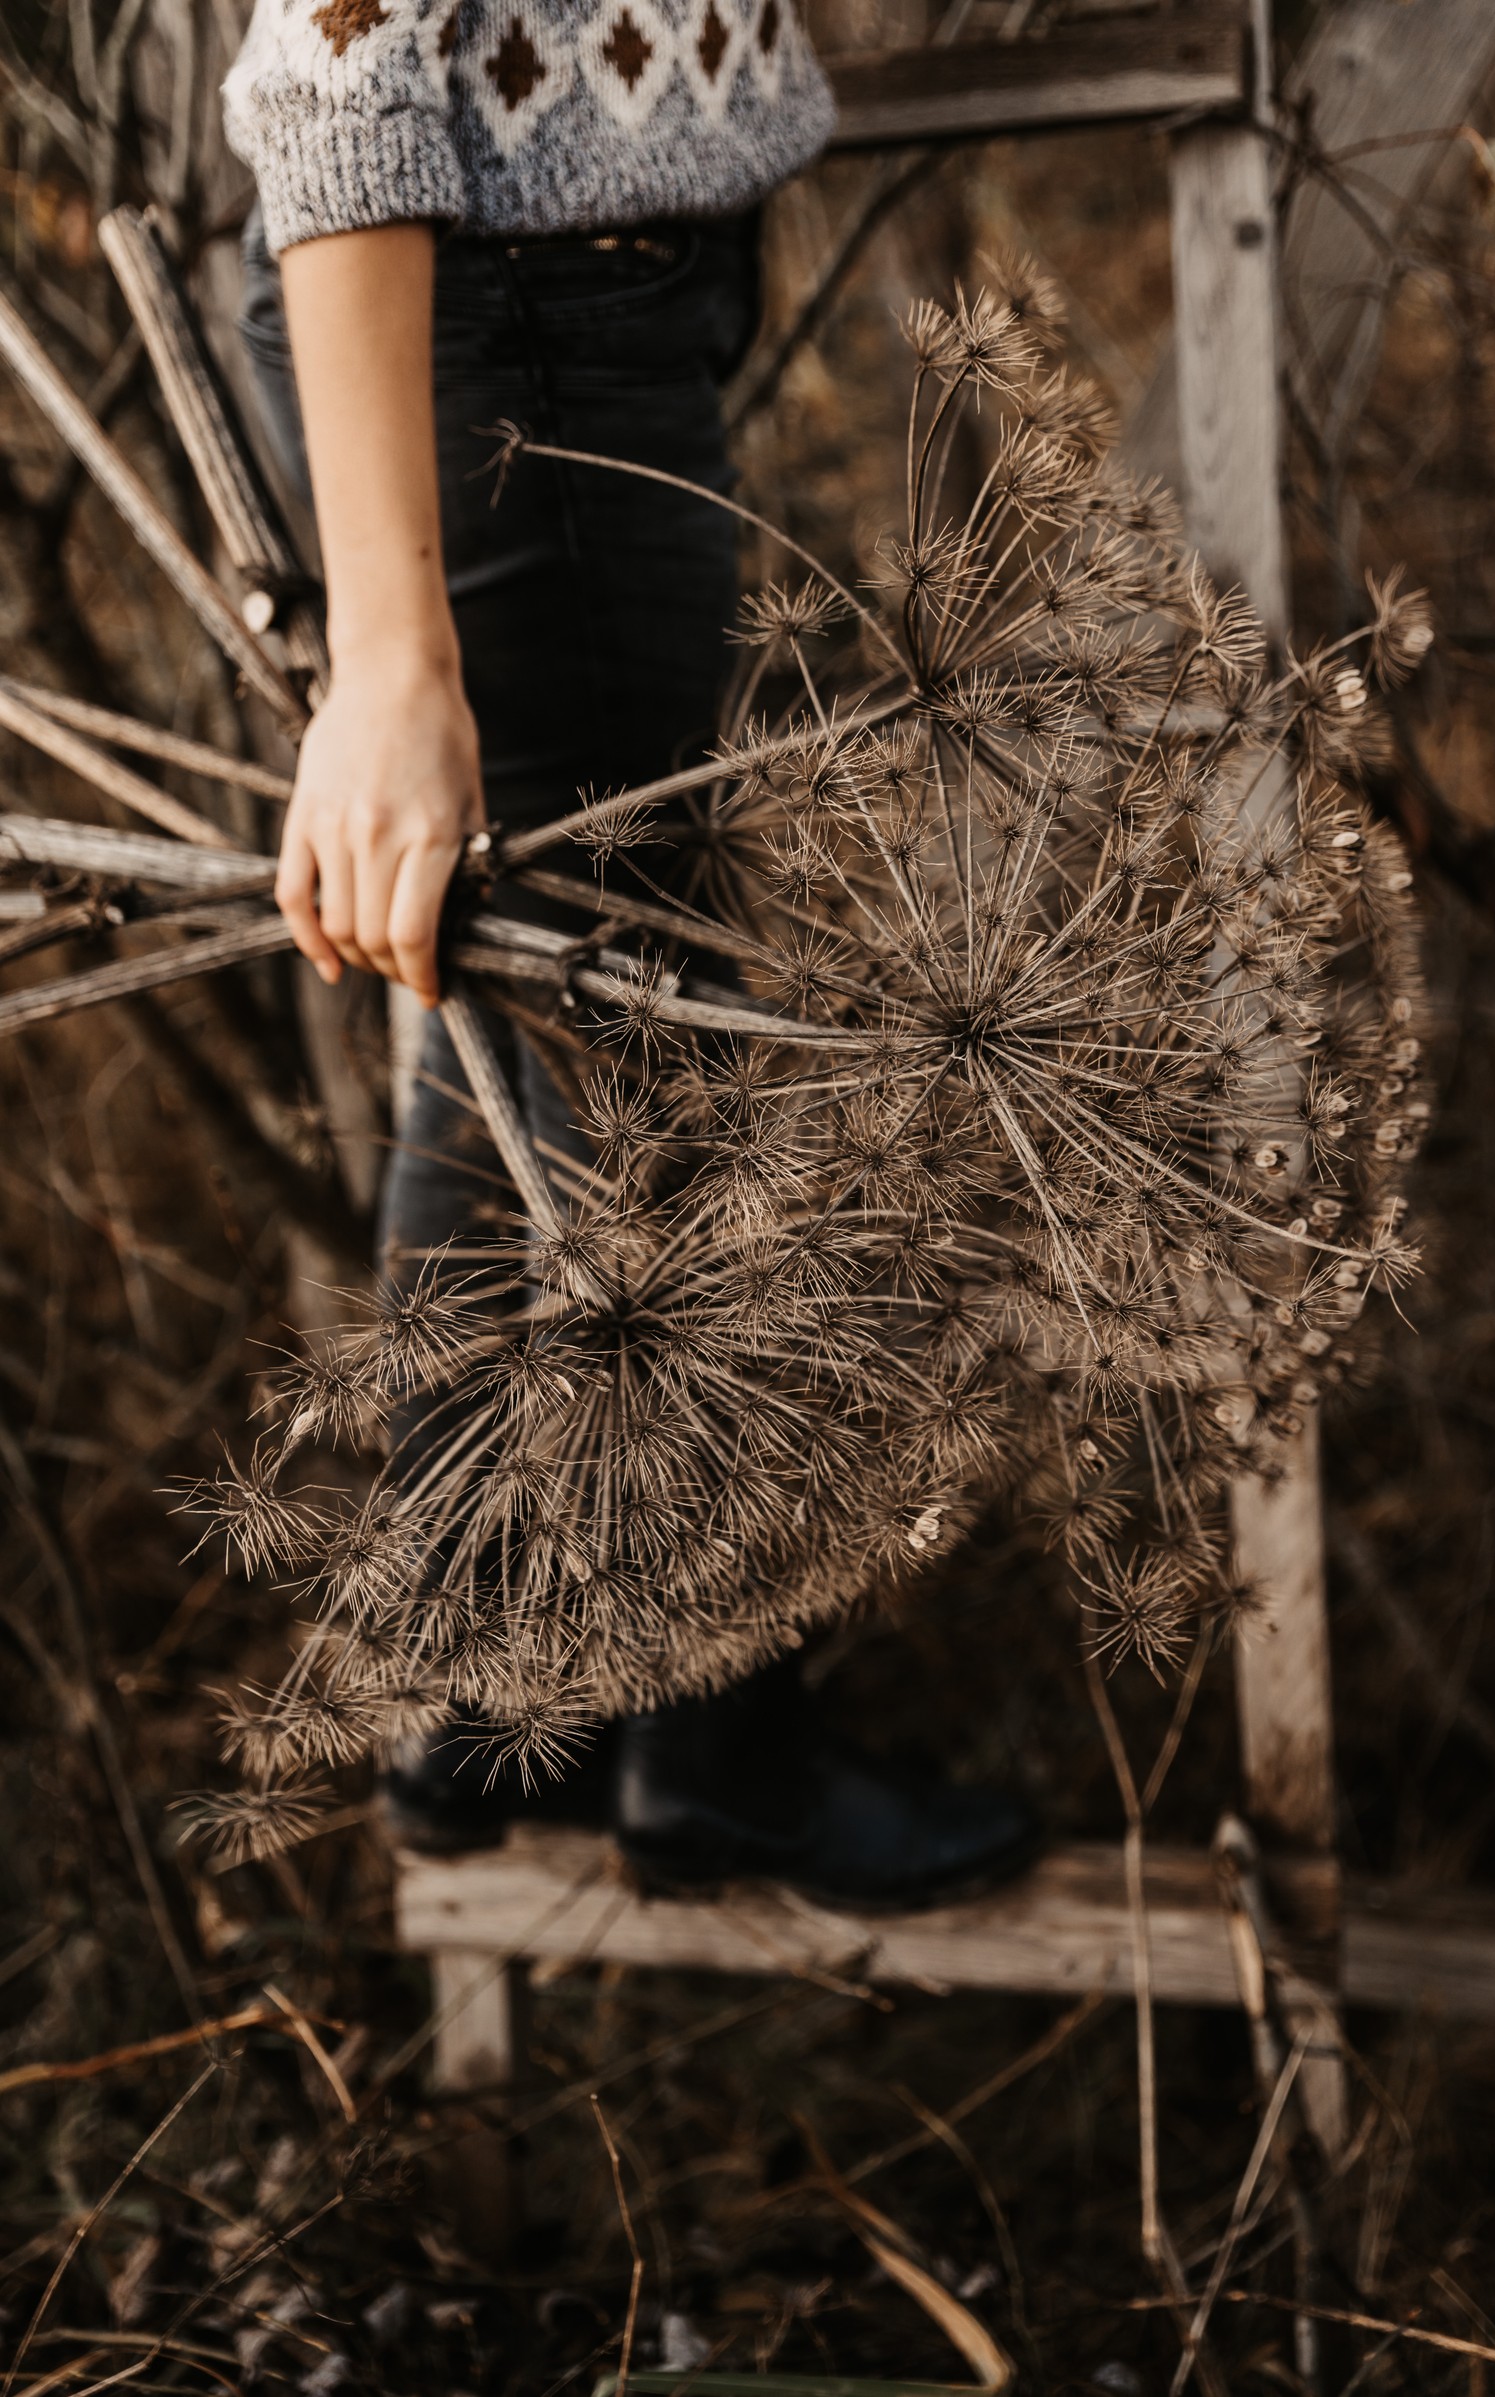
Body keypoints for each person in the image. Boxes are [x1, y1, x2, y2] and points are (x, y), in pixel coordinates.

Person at [221, 0, 1039, 1908]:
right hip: (511, 332)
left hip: (545, 310)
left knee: (533, 1005)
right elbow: (341, 61)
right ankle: (714, 1746)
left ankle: (499, 1677)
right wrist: (399, 675)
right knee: (662, 1033)